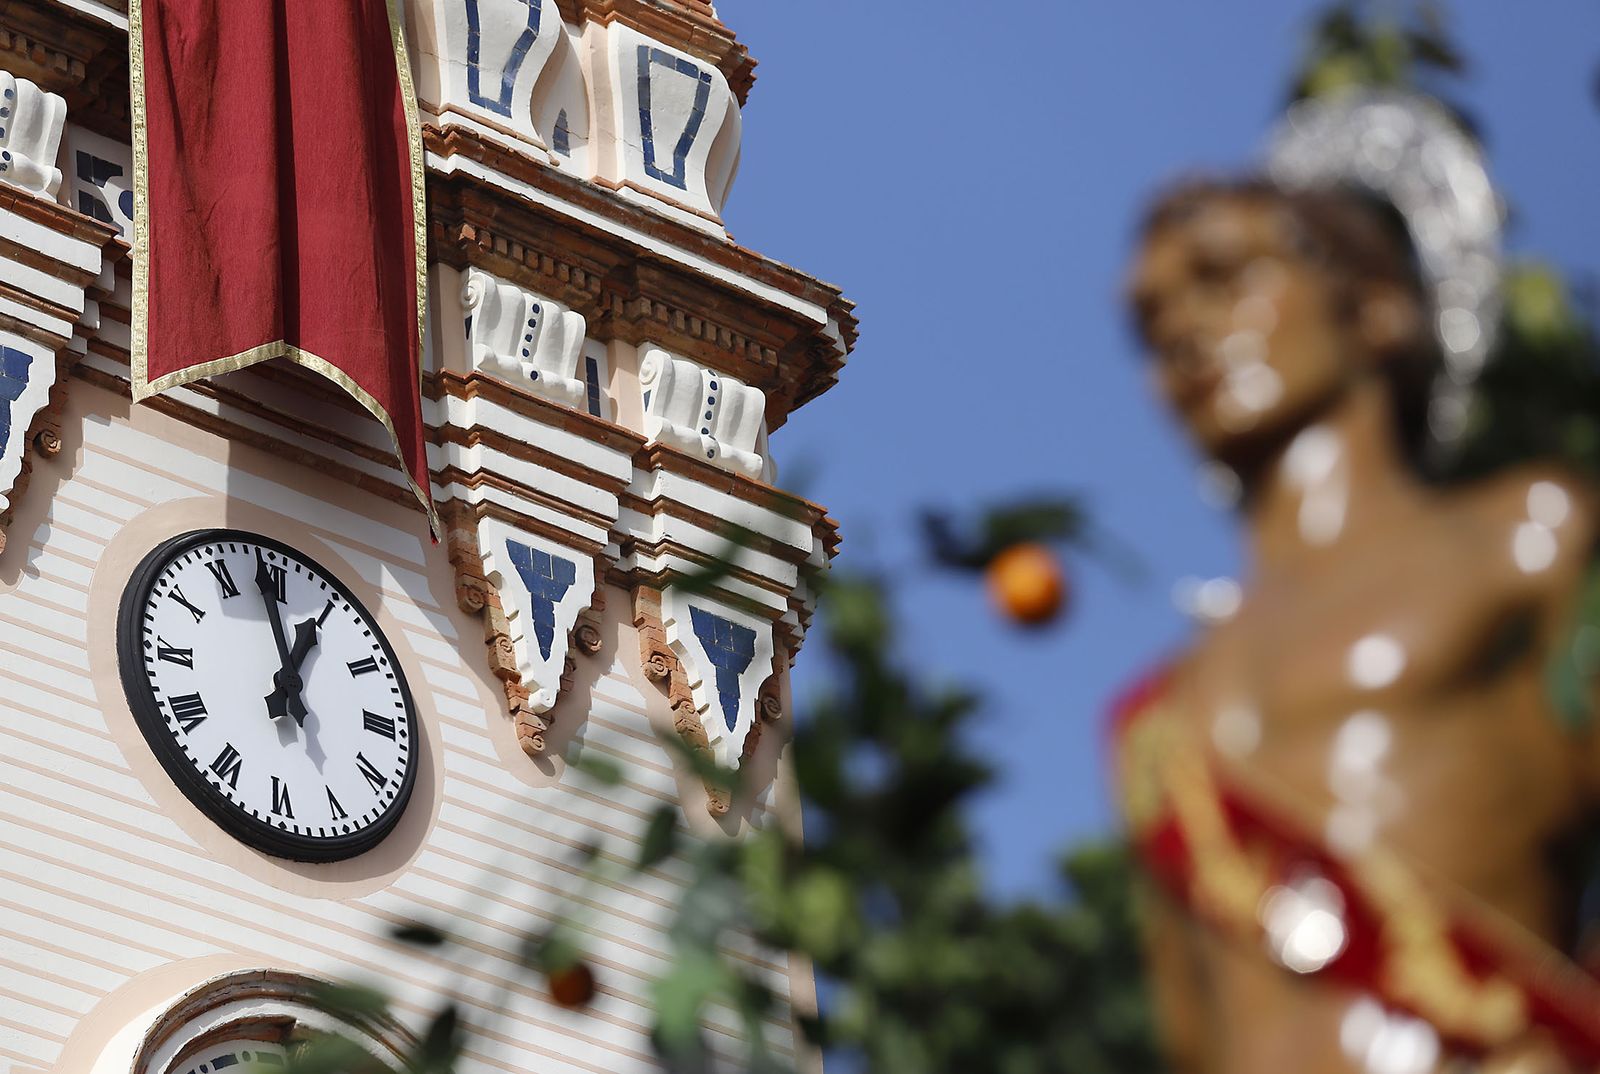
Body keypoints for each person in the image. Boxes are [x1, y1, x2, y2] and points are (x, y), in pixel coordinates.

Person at [1118, 94, 1600, 1073]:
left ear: (1376, 307)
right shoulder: (1159, 720)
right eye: (1151, 317)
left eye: (1223, 276)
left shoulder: (1527, 535)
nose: (1183, 332)